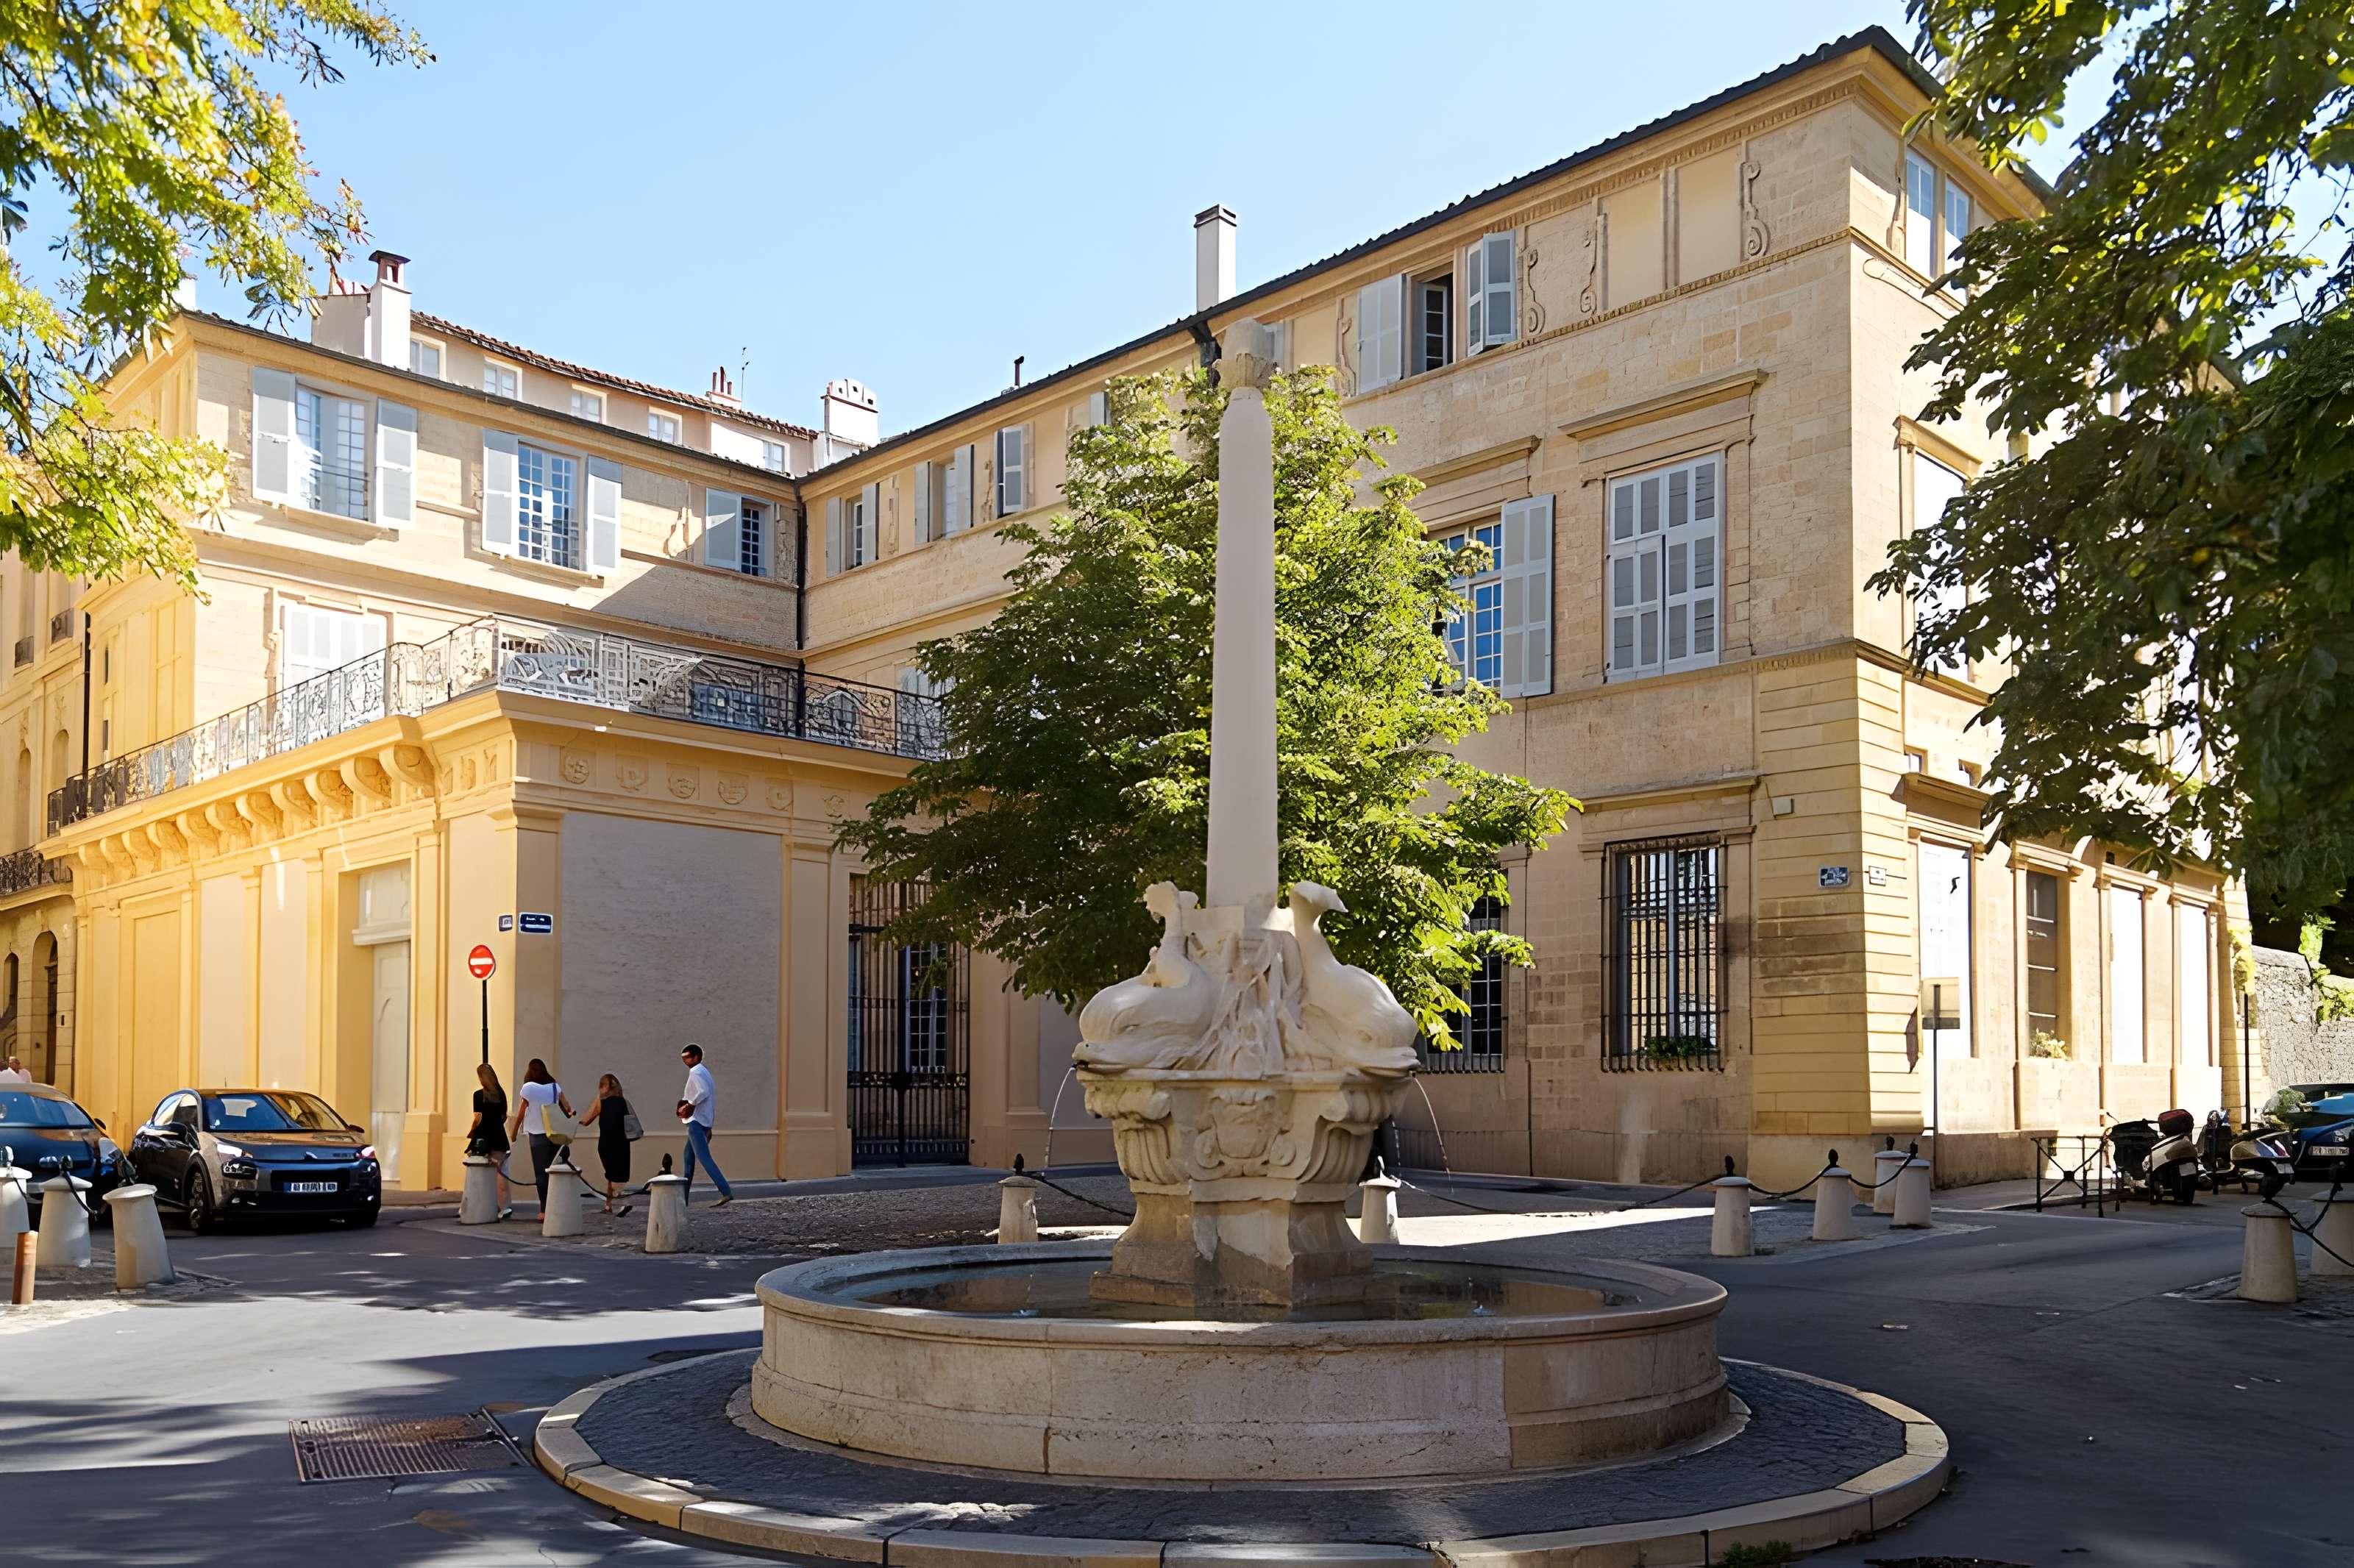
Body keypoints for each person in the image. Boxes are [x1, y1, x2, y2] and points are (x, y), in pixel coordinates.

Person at [506, 1058, 573, 1213]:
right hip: (555, 1134)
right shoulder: (555, 1087)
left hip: (537, 1135)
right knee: (553, 1171)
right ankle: (554, 1206)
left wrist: (514, 1132)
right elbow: (568, 1108)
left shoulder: (528, 1088)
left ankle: (544, 1209)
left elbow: (522, 1112)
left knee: (541, 1173)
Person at [677, 1043, 733, 1207]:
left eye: (687, 1057)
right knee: (688, 1159)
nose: (685, 1061)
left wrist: (690, 1105)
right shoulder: (703, 1071)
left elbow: (703, 1092)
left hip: (696, 1121)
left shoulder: (696, 1072)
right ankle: (683, 1200)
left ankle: (725, 1191)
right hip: (702, 1120)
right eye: (683, 1058)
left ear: (696, 1057)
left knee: (703, 1157)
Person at [575, 1072, 636, 1217]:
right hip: (622, 1142)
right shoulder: (623, 1101)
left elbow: (586, 1120)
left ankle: (616, 1204)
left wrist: (571, 1118)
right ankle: (612, 1204)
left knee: (611, 1174)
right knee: (619, 1173)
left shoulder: (600, 1101)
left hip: (607, 1142)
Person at [467, 1062, 513, 1220]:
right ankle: (504, 1206)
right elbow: (503, 1117)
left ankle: (478, 1203)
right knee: (499, 1172)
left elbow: (477, 1118)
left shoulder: (478, 1095)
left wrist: (471, 1131)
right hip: (499, 1136)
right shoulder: (501, 1094)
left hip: (483, 1136)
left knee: (478, 1170)